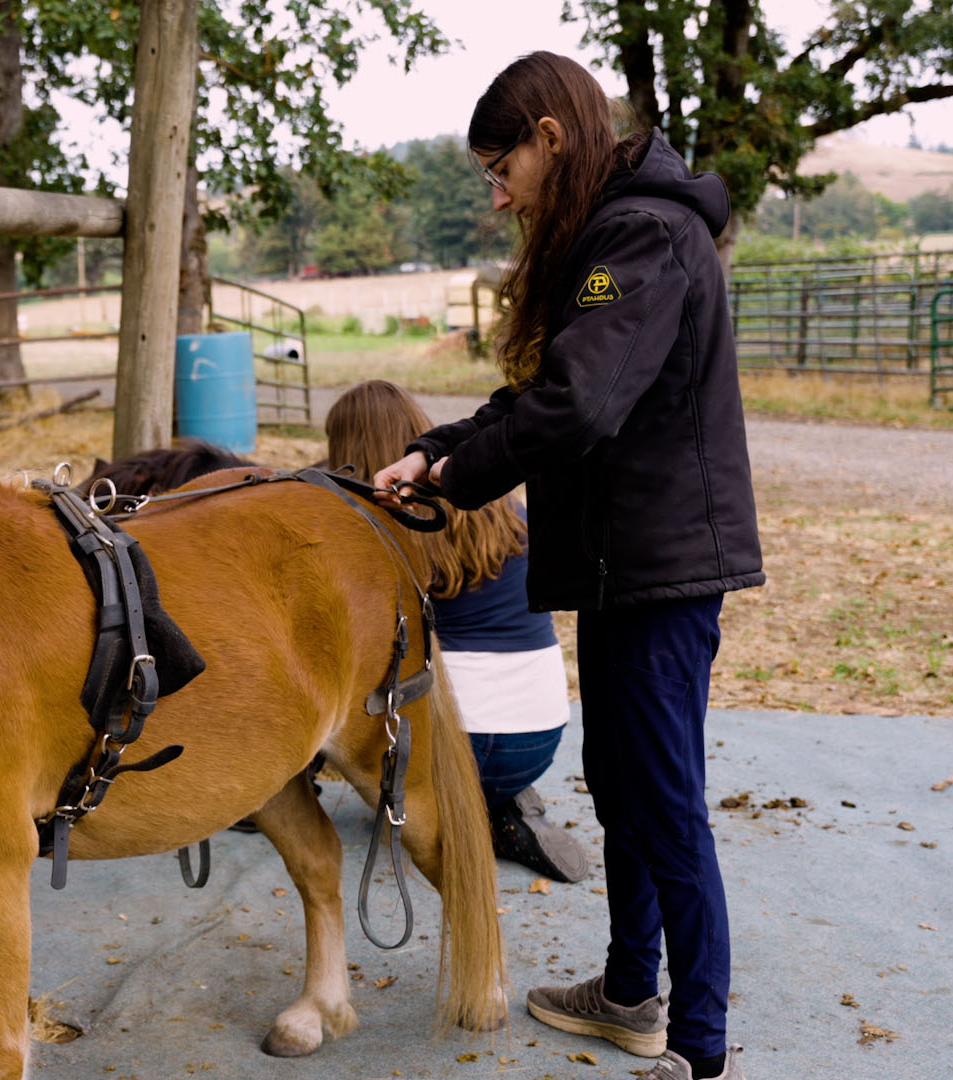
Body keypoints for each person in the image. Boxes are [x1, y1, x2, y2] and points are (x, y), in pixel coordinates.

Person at [372, 52, 764, 1080]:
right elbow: (547, 394)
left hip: (658, 564)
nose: (499, 197)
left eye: (503, 171)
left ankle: (700, 1046)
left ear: (551, 137)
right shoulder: (614, 232)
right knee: (623, 785)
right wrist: (436, 448)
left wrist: (459, 478)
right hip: (619, 562)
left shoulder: (641, 236)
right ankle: (631, 992)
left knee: (663, 797)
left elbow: (580, 406)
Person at [325, 380, 585, 884]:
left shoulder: (377, 524)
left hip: (444, 748)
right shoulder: (505, 509)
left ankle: (285, 784)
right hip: (540, 736)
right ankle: (496, 805)